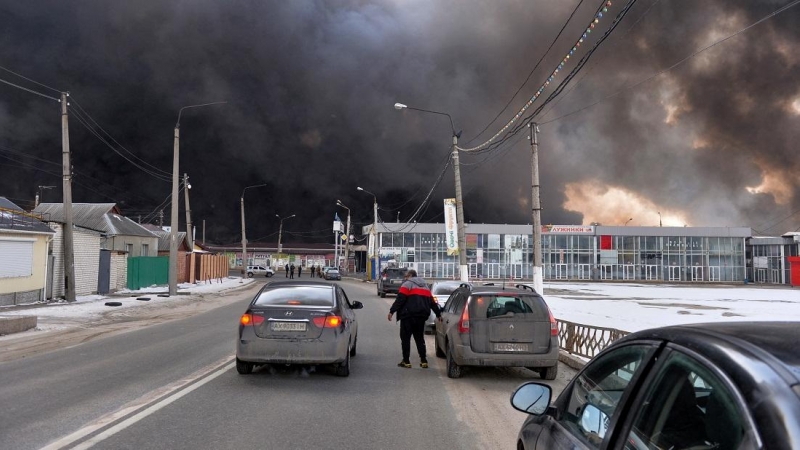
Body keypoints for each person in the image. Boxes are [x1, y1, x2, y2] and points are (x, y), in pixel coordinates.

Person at [387, 269, 441, 368]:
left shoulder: (407, 285)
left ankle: (406, 361)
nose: (405, 278)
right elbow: (432, 303)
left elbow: (400, 299)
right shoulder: (425, 287)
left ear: (411, 276)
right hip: (421, 317)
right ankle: (424, 361)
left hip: (408, 316)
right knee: (420, 338)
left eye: (406, 276)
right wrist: (438, 314)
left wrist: (391, 311)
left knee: (405, 338)